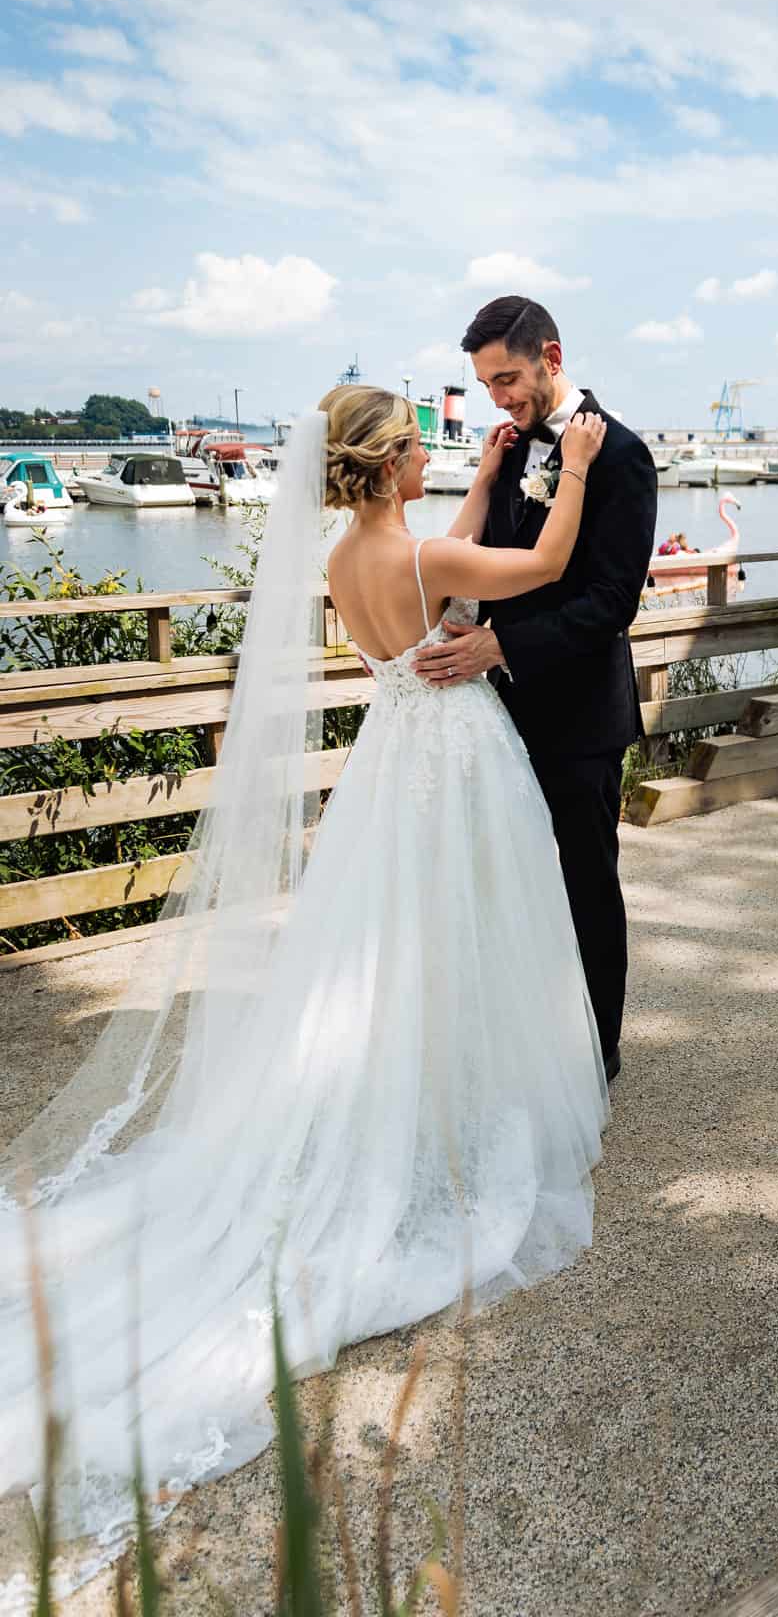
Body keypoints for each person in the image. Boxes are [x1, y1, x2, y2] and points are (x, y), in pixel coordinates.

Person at [0, 385, 609, 1590]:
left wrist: (480, 478)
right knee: (467, 926)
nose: (435, 462)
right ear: (389, 468)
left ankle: (408, 1086)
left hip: (394, 754)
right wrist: (575, 462)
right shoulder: (428, 547)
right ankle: (443, 1110)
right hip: (462, 751)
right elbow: (538, 560)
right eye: (419, 451)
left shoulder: (344, 553)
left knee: (389, 937)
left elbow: (429, 574)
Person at [414, 297, 658, 1083]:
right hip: (496, 712)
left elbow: (610, 600)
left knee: (587, 881)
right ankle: (518, 1036)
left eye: (508, 378)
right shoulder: (512, 448)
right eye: (486, 384)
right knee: (502, 876)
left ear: (551, 357)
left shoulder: (620, 454)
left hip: (582, 715)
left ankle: (597, 1050)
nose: (499, 399)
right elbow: (483, 558)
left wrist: (501, 644)